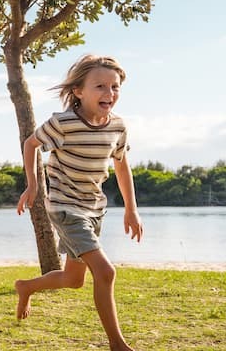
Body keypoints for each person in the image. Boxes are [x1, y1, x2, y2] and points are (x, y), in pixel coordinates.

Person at [13, 54, 143, 351]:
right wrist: (33, 184)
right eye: (100, 86)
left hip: (93, 208)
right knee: (106, 272)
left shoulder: (118, 127)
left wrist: (131, 209)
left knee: (74, 279)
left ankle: (26, 287)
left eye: (115, 87)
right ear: (78, 91)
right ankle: (117, 344)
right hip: (63, 206)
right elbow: (31, 143)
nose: (109, 94)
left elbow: (122, 166)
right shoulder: (63, 124)